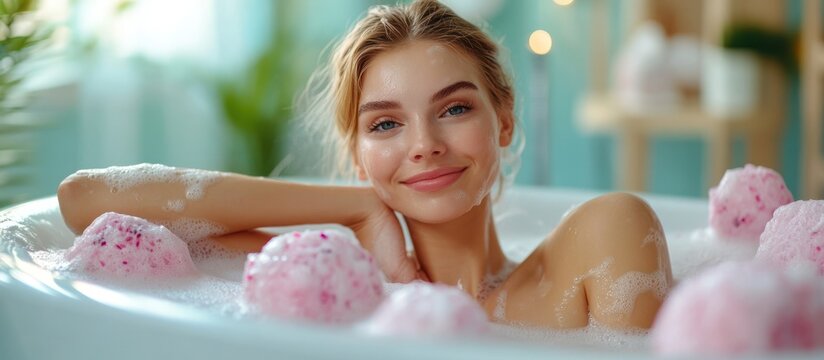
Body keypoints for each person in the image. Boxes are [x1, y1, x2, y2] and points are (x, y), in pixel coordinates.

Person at [57, 0, 673, 329]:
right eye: (385, 124)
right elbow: (84, 199)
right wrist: (354, 206)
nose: (424, 144)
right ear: (357, 155)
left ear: (504, 120)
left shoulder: (600, 238)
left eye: (454, 108)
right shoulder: (334, 282)